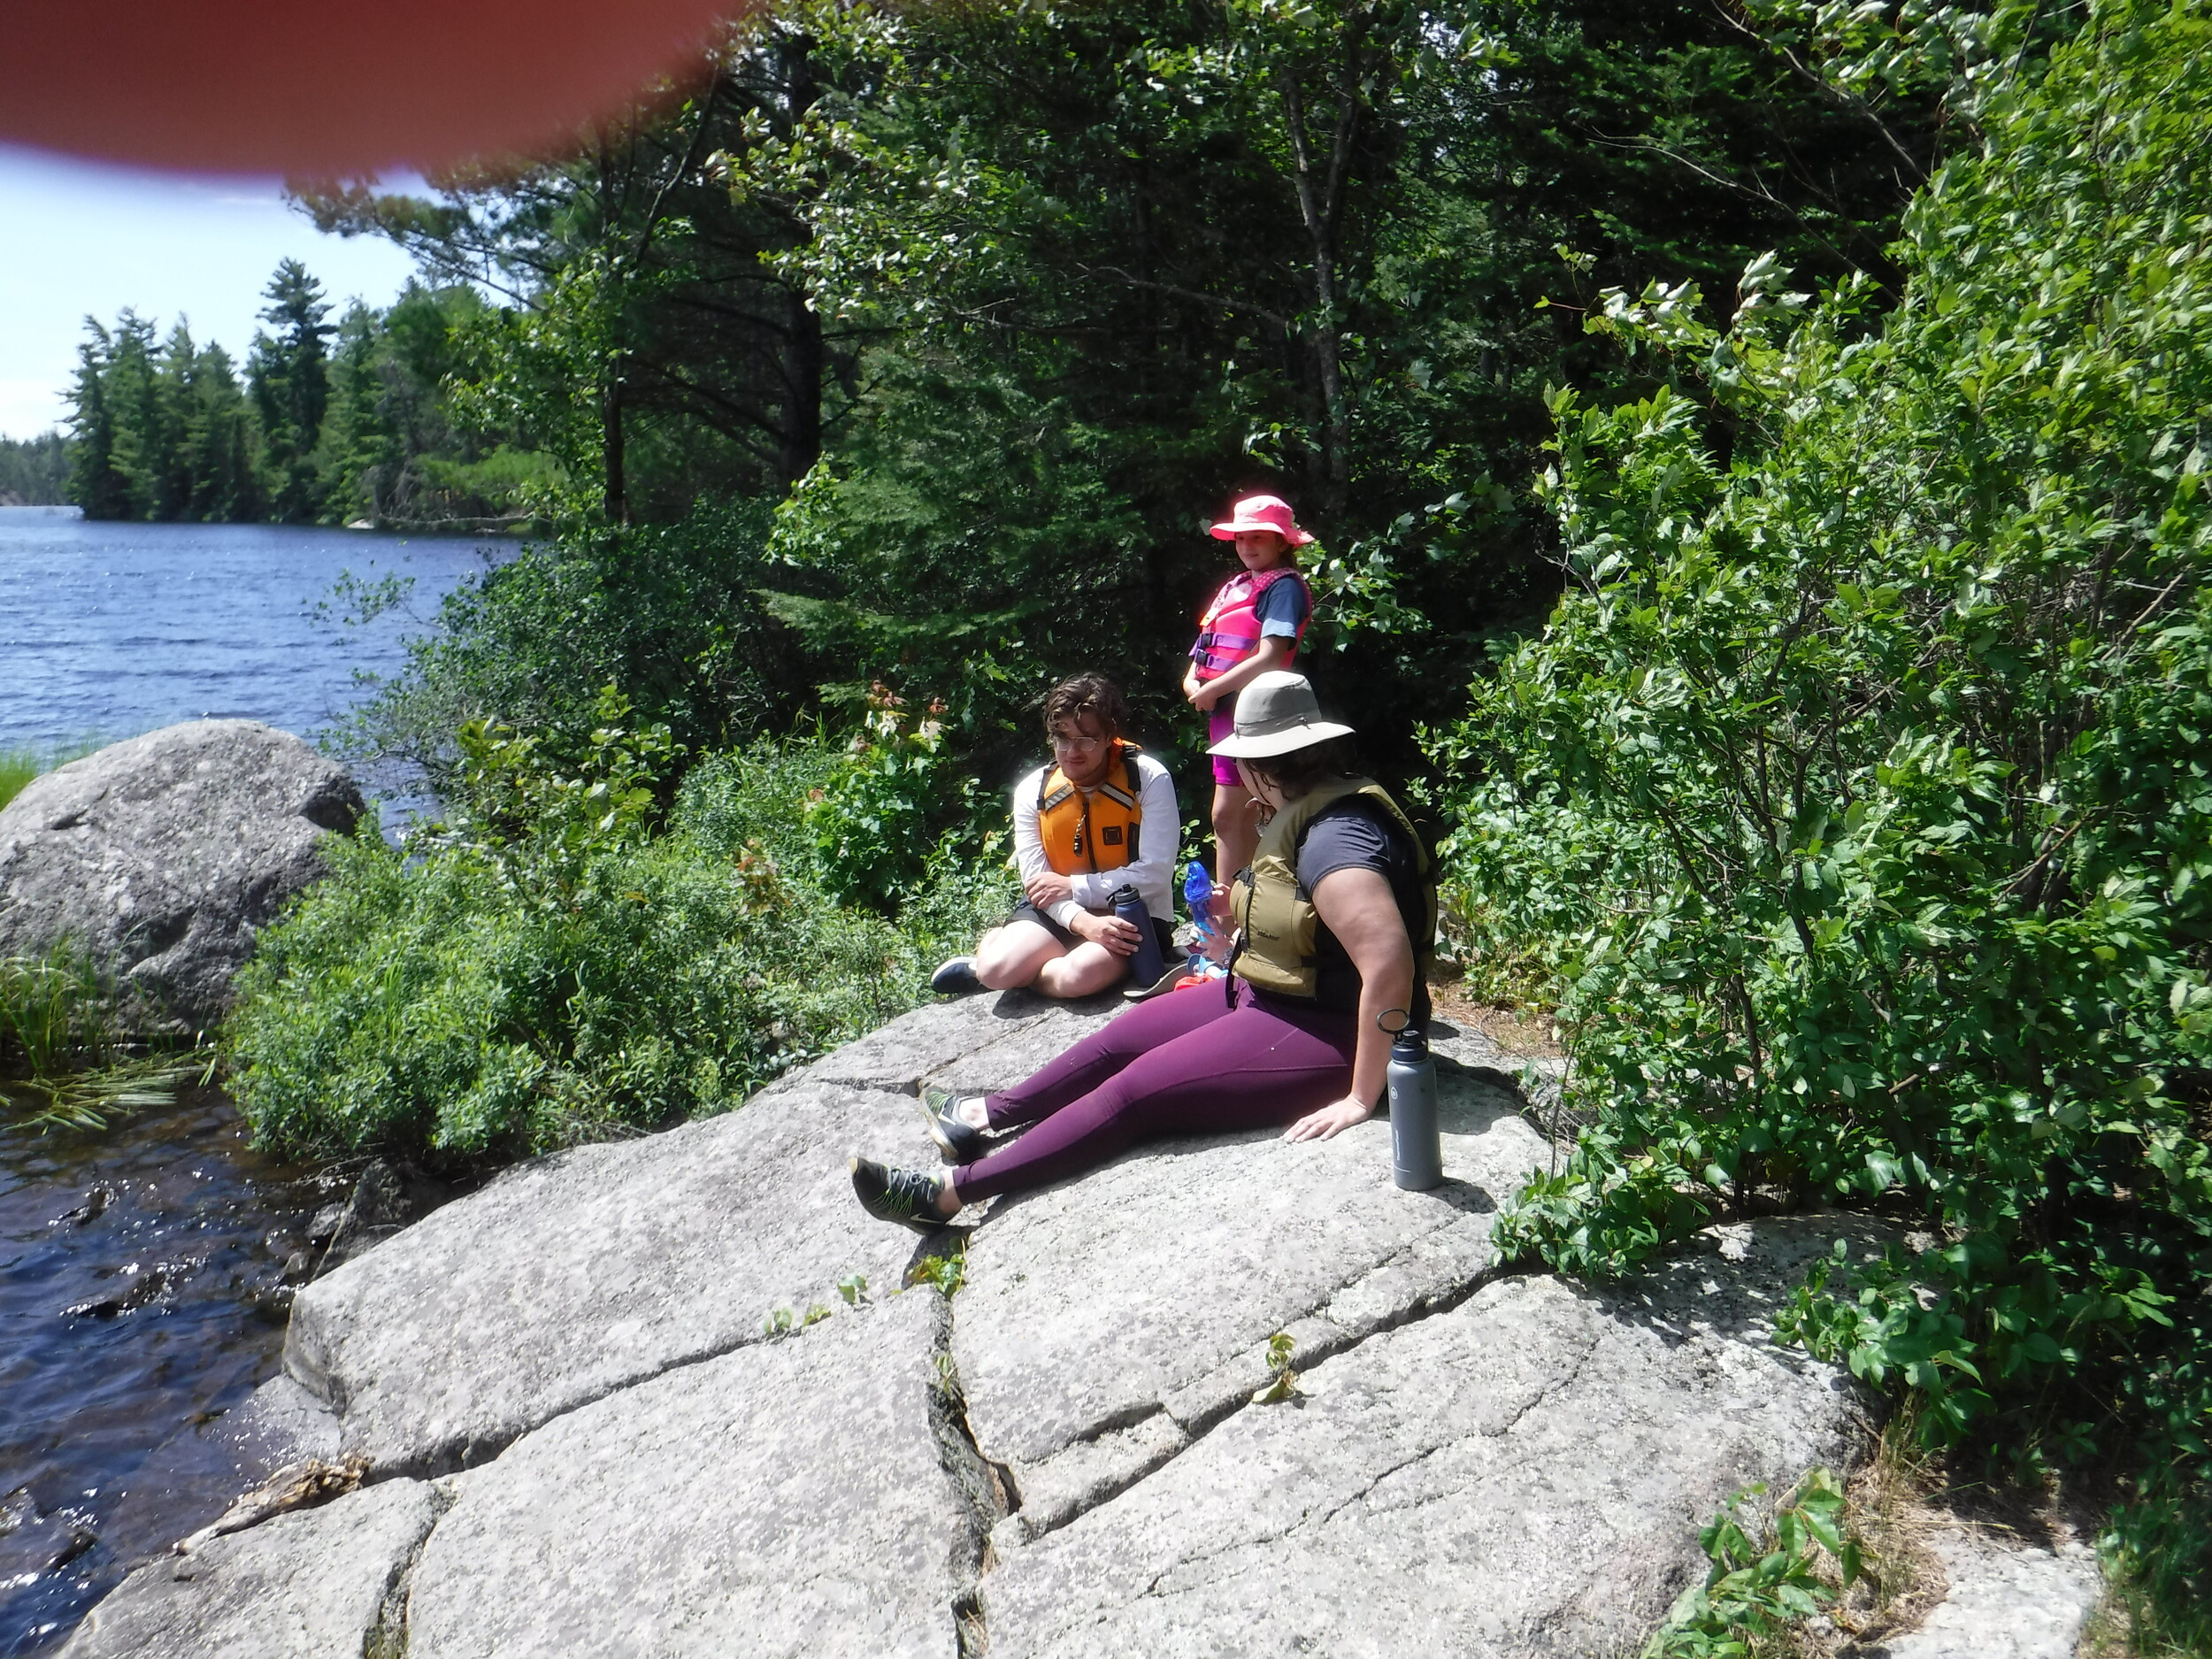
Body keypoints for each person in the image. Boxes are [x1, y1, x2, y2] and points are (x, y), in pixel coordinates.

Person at [858, 670, 1436, 1229]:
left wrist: (1363, 1095)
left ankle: (947, 1194)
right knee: (1117, 1041)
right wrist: (1239, 924)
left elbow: (1389, 963)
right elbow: (1306, 921)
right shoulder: (1310, 808)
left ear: (1260, 766)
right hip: (1266, 995)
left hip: (1328, 1032)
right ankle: (980, 1114)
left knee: (1131, 1093)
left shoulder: (1337, 838)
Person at [930, 673, 1180, 1001]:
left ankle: (1030, 971)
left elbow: (1155, 875)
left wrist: (1073, 886)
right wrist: (1083, 923)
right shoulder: (1032, 791)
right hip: (1059, 909)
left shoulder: (1148, 779)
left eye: (1086, 740)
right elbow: (1038, 884)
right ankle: (998, 954)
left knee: (1078, 976)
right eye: (1062, 739)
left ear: (1109, 737)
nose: (1072, 752)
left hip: (1132, 912)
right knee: (994, 972)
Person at [1182, 493, 1317, 896]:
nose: (1246, 545)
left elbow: (1271, 655)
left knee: (1237, 813)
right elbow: (1203, 650)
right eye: (1241, 538)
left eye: (1257, 536)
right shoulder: (1237, 586)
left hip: (1261, 712)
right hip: (1225, 711)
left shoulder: (1285, 588)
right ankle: (1241, 908)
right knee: (1234, 815)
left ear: (1282, 541)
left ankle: (1235, 913)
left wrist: (1212, 690)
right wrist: (1193, 684)